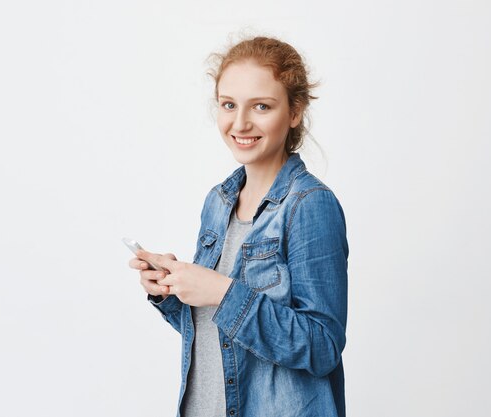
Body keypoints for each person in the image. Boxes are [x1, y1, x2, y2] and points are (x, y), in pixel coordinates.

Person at [128, 36, 349, 417]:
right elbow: (223, 338)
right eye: (229, 104)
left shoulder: (310, 205)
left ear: (295, 112)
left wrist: (222, 292)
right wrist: (172, 291)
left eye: (261, 106)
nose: (240, 122)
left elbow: (322, 347)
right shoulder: (218, 201)